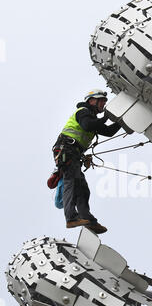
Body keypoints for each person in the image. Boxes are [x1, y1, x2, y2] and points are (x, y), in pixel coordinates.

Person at [52, 89, 123, 234]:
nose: (103, 104)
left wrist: (123, 121)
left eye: (104, 101)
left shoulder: (92, 119)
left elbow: (108, 131)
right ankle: (71, 217)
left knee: (82, 189)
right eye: (101, 101)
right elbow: (87, 125)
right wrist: (105, 118)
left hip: (73, 153)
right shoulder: (83, 112)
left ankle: (88, 219)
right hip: (67, 150)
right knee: (71, 182)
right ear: (92, 101)